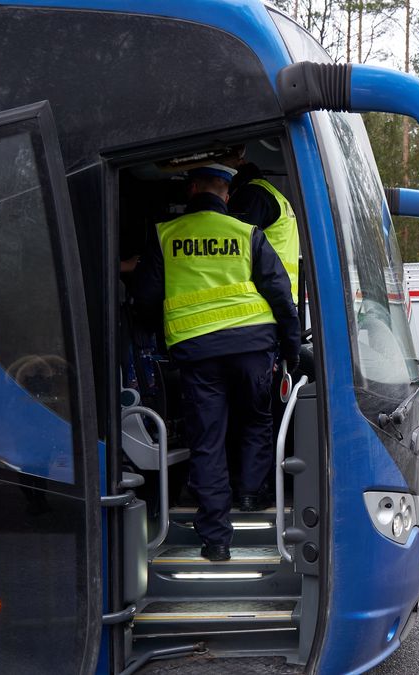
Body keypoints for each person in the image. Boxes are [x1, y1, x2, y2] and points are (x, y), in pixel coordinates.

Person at [135, 162, 300, 562]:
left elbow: (145, 300)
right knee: (256, 421)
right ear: (227, 194)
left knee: (206, 439)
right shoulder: (247, 234)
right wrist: (291, 348)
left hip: (197, 354)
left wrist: (157, 336)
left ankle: (216, 541)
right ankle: (249, 493)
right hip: (252, 348)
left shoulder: (165, 235)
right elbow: (281, 295)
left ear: (192, 189)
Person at [222, 144, 301, 302]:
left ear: (240, 162)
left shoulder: (252, 195)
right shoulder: (267, 192)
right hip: (279, 294)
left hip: (264, 297)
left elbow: (232, 249)